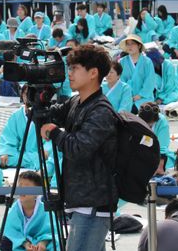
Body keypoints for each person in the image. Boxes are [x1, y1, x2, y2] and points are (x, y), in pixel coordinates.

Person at [40, 44, 118, 251]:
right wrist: (38, 98)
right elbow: (51, 114)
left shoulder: (101, 110)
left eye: (75, 68)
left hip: (93, 203)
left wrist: (54, 132)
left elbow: (79, 148)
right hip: (82, 200)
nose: (69, 73)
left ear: (93, 73)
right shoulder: (78, 102)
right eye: (69, 68)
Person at [0, 170, 56, 251]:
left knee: (56, 244)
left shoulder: (45, 210)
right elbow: (9, 230)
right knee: (4, 241)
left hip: (40, 244)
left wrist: (42, 243)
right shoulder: (14, 209)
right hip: (20, 243)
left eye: (26, 187)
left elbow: (52, 232)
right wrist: (25, 243)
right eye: (20, 186)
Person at [0, 105, 42, 170]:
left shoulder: (46, 114)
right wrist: (6, 153)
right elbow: (7, 139)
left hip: (38, 158)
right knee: (1, 159)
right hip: (18, 157)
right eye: (25, 94)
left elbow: (48, 149)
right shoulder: (16, 116)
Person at [118, 35, 155, 109]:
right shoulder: (122, 61)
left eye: (132, 44)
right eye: (128, 44)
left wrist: (140, 95)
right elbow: (121, 81)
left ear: (139, 46)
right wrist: (127, 95)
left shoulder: (147, 62)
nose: (129, 46)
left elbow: (150, 81)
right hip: (127, 96)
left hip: (144, 97)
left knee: (138, 109)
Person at [138, 102, 171, 174]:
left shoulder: (162, 121)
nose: (148, 127)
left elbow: (163, 146)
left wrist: (160, 167)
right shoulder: (135, 121)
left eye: (150, 126)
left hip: (157, 153)